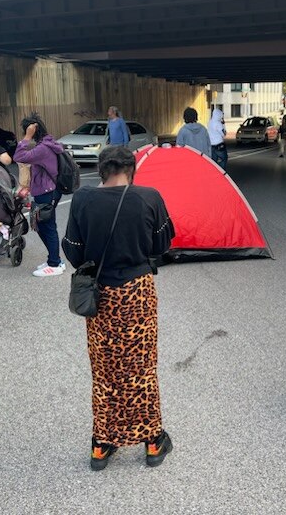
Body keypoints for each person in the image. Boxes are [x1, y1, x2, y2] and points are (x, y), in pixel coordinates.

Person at [62, 146, 176, 470]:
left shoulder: (83, 199)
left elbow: (73, 250)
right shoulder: (149, 197)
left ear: (100, 170)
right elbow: (162, 244)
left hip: (102, 295)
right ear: (132, 169)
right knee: (141, 366)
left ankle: (102, 444)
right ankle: (153, 441)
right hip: (137, 292)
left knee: (105, 370)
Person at [13, 113, 66, 276]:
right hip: (47, 191)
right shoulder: (47, 143)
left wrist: (26, 137)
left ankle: (55, 264)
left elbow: (19, 156)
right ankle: (54, 259)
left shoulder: (43, 148)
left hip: (46, 192)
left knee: (47, 227)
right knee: (43, 226)